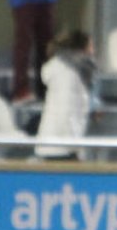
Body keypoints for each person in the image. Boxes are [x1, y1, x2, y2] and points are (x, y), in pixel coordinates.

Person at [35, 30, 95, 161]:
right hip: (61, 147)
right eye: (90, 46)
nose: (92, 51)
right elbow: (66, 109)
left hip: (59, 143)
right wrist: (75, 147)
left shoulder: (72, 70)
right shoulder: (68, 73)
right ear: (79, 49)